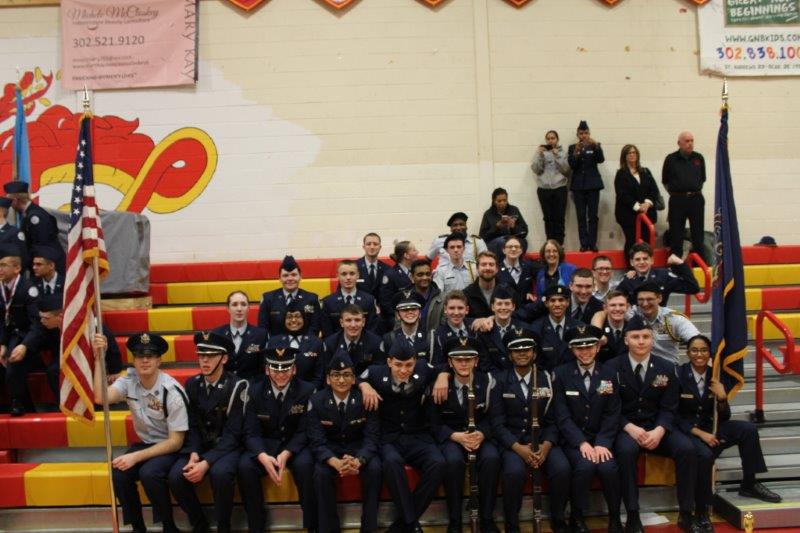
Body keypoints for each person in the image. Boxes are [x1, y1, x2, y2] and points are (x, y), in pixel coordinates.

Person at [677, 335, 780, 532]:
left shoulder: (716, 376)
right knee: (705, 456)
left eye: (704, 350)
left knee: (748, 429)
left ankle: (749, 483)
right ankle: (702, 511)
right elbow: (675, 416)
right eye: (694, 350)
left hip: (713, 428)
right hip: (690, 432)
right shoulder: (679, 374)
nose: (699, 354)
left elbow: (724, 416)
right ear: (687, 352)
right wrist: (701, 434)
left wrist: (722, 398)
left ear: (710, 354)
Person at [609, 316, 698, 533]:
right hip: (626, 428)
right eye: (636, 337)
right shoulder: (611, 367)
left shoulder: (666, 367)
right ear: (626, 340)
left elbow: (670, 407)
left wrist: (659, 431)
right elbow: (609, 407)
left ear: (652, 340)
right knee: (626, 452)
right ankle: (632, 515)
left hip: (657, 427)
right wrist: (629, 427)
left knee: (687, 448)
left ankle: (686, 513)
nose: (641, 341)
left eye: (646, 337)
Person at [92, 333, 188, 533]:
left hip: (170, 447)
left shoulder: (171, 391)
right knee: (119, 473)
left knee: (149, 473)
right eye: (139, 356)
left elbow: (176, 442)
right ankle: (138, 527)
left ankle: (169, 526)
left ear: (159, 360)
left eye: (150, 356)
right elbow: (100, 397)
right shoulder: (129, 381)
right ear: (133, 360)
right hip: (146, 444)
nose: (144, 360)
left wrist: (135, 457)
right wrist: (98, 358)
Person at [359, 340, 444, 533]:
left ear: (415, 361)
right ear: (389, 362)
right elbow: (353, 378)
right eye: (398, 364)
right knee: (391, 462)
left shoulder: (423, 368)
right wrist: (364, 386)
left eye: (408, 365)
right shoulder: (375, 372)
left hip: (417, 435)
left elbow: (442, 367)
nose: (404, 370)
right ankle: (411, 524)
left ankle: (402, 525)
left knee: (438, 463)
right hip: (389, 437)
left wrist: (443, 377)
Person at [492, 329, 571, 533]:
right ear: (509, 355)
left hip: (544, 440)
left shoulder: (546, 378)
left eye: (527, 350)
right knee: (514, 472)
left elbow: (554, 419)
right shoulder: (499, 381)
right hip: (514, 443)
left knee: (562, 468)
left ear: (534, 353)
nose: (522, 354)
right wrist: (520, 449)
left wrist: (546, 446)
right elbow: (497, 424)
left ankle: (558, 518)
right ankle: (512, 522)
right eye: (517, 351)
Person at [168, 332, 248, 533]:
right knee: (177, 476)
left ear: (224, 358)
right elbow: (193, 424)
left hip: (227, 447)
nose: (204, 360)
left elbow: (233, 435)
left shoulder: (237, 385)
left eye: (211, 355)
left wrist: (205, 463)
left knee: (220, 474)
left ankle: (223, 526)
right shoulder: (193, 384)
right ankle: (199, 524)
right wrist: (194, 453)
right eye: (201, 355)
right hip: (201, 445)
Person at [238, 339, 316, 533]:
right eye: (276, 370)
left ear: (294, 370)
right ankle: (257, 525)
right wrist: (262, 456)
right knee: (245, 467)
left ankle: (312, 525)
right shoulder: (254, 391)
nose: (281, 374)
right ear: (267, 370)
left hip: (295, 446)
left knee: (307, 465)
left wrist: (287, 453)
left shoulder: (307, 390)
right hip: (265, 445)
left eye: (285, 370)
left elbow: (306, 430)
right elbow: (250, 432)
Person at [552, 325, 623, 533]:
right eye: (579, 348)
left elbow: (613, 413)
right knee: (585, 466)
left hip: (601, 439)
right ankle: (577, 516)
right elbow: (561, 415)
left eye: (590, 347)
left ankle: (615, 517)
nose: (585, 352)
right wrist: (581, 442)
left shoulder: (609, 373)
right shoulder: (561, 374)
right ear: (573, 350)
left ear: (598, 348)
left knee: (609, 468)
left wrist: (602, 443)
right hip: (574, 441)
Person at [429, 337, 500, 533]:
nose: (463, 363)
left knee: (492, 458)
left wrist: (482, 434)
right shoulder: (440, 384)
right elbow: (433, 424)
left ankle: (486, 518)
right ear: (449, 362)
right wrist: (455, 436)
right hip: (452, 436)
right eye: (458, 359)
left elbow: (495, 417)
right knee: (452, 461)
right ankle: (455, 520)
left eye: (468, 359)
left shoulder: (488, 382)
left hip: (480, 435)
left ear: (476, 361)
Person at [307, 350, 382, 533]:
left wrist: (359, 460)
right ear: (327, 379)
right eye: (336, 375)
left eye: (347, 375)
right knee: (320, 472)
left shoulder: (365, 399)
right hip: (331, 451)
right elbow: (316, 441)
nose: (341, 380)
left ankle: (369, 528)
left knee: (375, 468)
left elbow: (372, 438)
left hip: (358, 450)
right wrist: (336, 462)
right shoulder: (316, 401)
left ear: (354, 379)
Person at [36, 293, 122, 403]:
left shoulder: (87, 324)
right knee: (53, 371)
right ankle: (64, 404)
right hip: (67, 355)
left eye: (45, 318)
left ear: (60, 316)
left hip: (89, 356)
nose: (42, 321)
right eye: (41, 317)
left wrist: (115, 369)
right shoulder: (48, 326)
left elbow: (108, 341)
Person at [0, 244, 43, 416]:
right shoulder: (1, 288)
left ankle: (19, 403)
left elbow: (37, 324)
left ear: (17, 268)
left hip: (28, 337)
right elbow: (1, 321)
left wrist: (25, 345)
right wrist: (1, 343)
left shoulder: (28, 289)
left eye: (3, 265)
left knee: (14, 364)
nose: (0, 269)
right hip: (9, 337)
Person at [627, 282, 700, 364]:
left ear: (660, 298)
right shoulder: (631, 315)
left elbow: (697, 340)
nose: (645, 303)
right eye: (641, 300)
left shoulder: (673, 318)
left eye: (649, 299)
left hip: (668, 369)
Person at [662, 131, 706, 261]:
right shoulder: (671, 159)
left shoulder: (699, 158)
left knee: (698, 235)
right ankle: (675, 267)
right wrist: (678, 194)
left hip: (696, 199)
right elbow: (665, 181)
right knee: (676, 235)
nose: (690, 143)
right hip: (677, 199)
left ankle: (699, 267)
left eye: (692, 140)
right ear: (679, 143)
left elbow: (702, 179)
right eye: (687, 141)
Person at [3, 181, 64, 272]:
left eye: (9, 202)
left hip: (50, 268)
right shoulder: (28, 214)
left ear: (15, 200)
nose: (10, 206)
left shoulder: (35, 217)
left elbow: (41, 247)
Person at [614, 144, 661, 259]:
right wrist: (637, 206)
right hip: (628, 214)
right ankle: (631, 269)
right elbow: (622, 194)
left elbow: (654, 190)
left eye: (634, 152)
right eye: (629, 153)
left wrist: (647, 204)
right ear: (624, 156)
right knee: (632, 241)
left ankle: (645, 266)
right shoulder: (621, 174)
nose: (632, 155)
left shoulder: (646, 172)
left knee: (646, 242)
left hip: (647, 213)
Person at [616, 242, 700, 306]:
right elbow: (615, 298)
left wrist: (680, 263)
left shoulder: (663, 275)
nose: (642, 262)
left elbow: (693, 287)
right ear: (631, 262)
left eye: (645, 258)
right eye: (637, 259)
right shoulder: (628, 279)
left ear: (652, 260)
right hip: (637, 324)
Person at [257, 255, 322, 336]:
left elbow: (315, 328)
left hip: (305, 346)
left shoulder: (312, 299)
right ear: (279, 278)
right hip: (276, 347)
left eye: (294, 275)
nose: (290, 278)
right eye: (285, 275)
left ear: (300, 276)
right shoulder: (268, 299)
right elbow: (263, 329)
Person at [211, 290, 268, 380]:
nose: (239, 309)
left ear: (248, 308)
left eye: (243, 304)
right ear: (228, 309)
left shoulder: (261, 335)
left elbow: (263, 369)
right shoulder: (217, 334)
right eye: (234, 304)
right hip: (225, 389)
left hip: (251, 388)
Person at [567, 121, 605, 252]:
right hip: (578, 186)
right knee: (581, 216)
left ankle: (592, 243)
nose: (584, 135)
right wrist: (576, 153)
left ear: (589, 133)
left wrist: (596, 147)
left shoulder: (595, 145)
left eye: (586, 133)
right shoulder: (572, 147)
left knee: (593, 216)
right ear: (578, 134)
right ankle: (583, 243)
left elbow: (600, 159)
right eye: (581, 133)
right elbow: (572, 165)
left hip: (593, 185)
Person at [476, 287, 532, 374]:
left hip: (519, 379)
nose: (503, 307)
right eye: (499, 304)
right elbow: (484, 364)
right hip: (494, 381)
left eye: (507, 304)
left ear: (513, 307)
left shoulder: (525, 330)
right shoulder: (484, 332)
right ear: (492, 307)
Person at [271, 299, 325, 388]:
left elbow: (319, 376)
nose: (293, 320)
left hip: (309, 394)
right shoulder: (274, 342)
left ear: (304, 318)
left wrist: (308, 393)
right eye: (289, 317)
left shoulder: (316, 343)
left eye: (297, 316)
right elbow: (269, 372)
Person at [529, 285, 582, 372]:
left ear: (568, 302)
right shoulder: (536, 328)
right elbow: (534, 361)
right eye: (552, 300)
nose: (557, 304)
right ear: (546, 303)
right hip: (546, 379)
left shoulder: (578, 327)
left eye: (561, 300)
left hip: (572, 379)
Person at [531, 130, 570, 244]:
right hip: (544, 189)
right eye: (548, 138)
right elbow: (535, 169)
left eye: (553, 138)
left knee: (559, 218)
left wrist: (556, 155)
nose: (550, 140)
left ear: (557, 140)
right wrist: (539, 155)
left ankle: (559, 244)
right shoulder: (540, 152)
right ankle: (550, 243)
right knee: (548, 218)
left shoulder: (562, 152)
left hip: (560, 188)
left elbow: (566, 169)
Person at [322, 303, 384, 376]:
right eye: (348, 320)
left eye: (357, 320)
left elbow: (378, 372)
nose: (353, 325)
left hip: (366, 384)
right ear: (341, 323)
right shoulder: (330, 343)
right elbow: (328, 373)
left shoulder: (375, 342)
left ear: (363, 322)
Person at [321, 259, 378, 336]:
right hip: (336, 346)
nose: (348, 277)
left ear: (358, 275)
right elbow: (327, 333)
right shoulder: (328, 302)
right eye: (344, 274)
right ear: (337, 276)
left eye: (352, 273)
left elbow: (372, 330)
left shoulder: (368, 300)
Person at [430, 290, 478, 371]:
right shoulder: (438, 335)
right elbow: (438, 365)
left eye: (460, 308)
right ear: (445, 309)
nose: (456, 312)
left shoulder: (475, 326)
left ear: (467, 310)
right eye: (452, 308)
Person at [478, 187, 529, 260]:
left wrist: (513, 226)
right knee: (501, 242)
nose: (502, 203)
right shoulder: (488, 214)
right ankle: (502, 265)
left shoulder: (514, 210)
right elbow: (482, 237)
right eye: (499, 201)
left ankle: (516, 264)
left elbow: (525, 231)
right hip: (496, 242)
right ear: (494, 201)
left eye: (504, 200)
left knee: (523, 242)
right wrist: (496, 227)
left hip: (512, 239)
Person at [378, 240, 418, 332]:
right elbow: (385, 302)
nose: (417, 252)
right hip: (397, 318)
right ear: (406, 255)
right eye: (414, 250)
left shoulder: (416, 272)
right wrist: (399, 314)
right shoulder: (391, 275)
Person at [381, 290, 430, 362]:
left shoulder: (429, 338)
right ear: (397, 315)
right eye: (405, 310)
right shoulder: (389, 339)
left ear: (420, 314)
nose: (410, 312)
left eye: (413, 309)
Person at [496, 236, 539, 307]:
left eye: (516, 247)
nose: (513, 249)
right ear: (503, 250)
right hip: (505, 310)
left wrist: (531, 293)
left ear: (521, 250)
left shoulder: (528, 267)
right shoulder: (496, 269)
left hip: (526, 311)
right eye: (510, 247)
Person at [409, 258, 444, 334]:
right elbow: (398, 327)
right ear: (412, 277)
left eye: (427, 274)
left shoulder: (443, 298)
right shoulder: (405, 299)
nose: (425, 277)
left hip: (435, 342)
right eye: (420, 275)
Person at [463, 251, 501, 319]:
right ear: (477, 268)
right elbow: (463, 319)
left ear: (497, 269)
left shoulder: (507, 291)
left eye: (491, 264)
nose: (488, 268)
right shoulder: (466, 294)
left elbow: (515, 316)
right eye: (484, 264)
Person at [595, 290, 629, 363]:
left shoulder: (631, 328)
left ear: (627, 307)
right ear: (605, 308)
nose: (617, 309)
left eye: (621, 305)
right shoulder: (598, 327)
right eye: (613, 305)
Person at [357, 232, 390, 298]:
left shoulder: (387, 269)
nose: (372, 247)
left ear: (380, 247)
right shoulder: (354, 267)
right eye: (368, 244)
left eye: (375, 244)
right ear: (364, 247)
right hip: (359, 307)